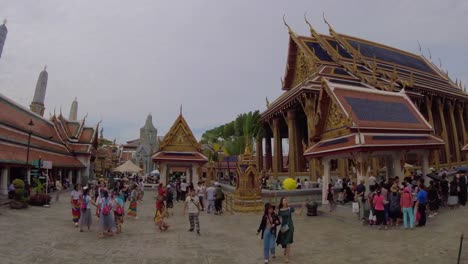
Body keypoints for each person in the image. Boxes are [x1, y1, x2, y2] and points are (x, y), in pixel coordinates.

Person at [276, 197, 301, 263]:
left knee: (288, 242)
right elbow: (280, 220)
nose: (285, 201)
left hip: (290, 227)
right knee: (284, 241)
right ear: (281, 202)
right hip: (284, 227)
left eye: (286, 200)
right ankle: (285, 249)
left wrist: (301, 208)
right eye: (284, 200)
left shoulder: (290, 209)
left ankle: (286, 257)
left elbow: (297, 213)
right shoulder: (280, 211)